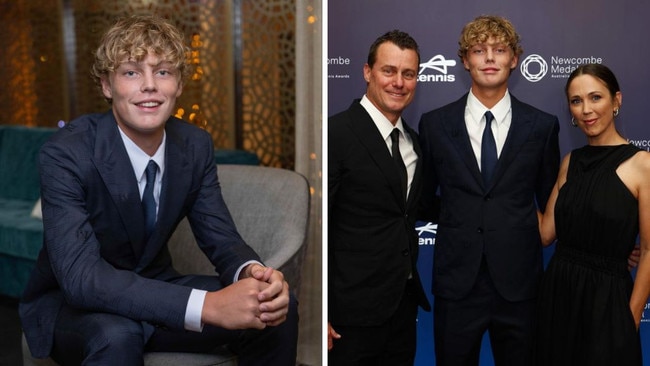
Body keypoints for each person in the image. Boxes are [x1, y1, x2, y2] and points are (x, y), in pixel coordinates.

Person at [19, 14, 297, 365]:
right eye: (131, 72)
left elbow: (222, 239)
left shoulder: (194, 145)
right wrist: (206, 306)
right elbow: (81, 278)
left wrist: (251, 272)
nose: (149, 85)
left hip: (156, 286)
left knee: (267, 310)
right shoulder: (66, 152)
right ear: (107, 85)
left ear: (179, 84)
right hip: (74, 305)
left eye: (163, 71)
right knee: (117, 335)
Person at [417, 15, 560, 366]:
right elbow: (422, 200)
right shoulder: (434, 124)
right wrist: (459, 216)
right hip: (457, 283)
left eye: (500, 50)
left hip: (519, 284)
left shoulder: (542, 127)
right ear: (465, 60)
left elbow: (553, 205)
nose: (490, 58)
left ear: (515, 59)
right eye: (479, 50)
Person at [535, 63, 650, 365]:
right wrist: (507, 188)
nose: (586, 109)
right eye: (576, 101)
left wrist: (632, 317)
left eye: (595, 97)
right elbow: (546, 233)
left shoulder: (643, 165)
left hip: (608, 303)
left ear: (617, 100)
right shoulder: (570, 161)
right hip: (558, 297)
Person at [328, 29, 431, 365]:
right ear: (367, 72)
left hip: (402, 309)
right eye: (388, 71)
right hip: (348, 317)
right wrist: (320, 311)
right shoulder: (335, 134)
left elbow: (415, 210)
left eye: (408, 74)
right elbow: (317, 226)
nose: (398, 82)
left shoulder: (413, 143)